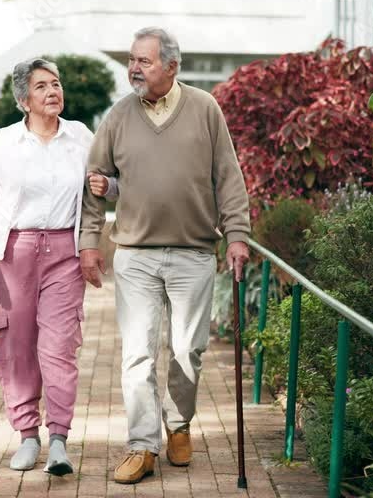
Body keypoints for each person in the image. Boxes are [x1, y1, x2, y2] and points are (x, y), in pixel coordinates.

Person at [78, 27, 251, 485]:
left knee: (187, 352)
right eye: (132, 60)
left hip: (194, 252)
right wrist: (88, 245)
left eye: (145, 61)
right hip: (134, 254)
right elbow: (95, 182)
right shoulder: (118, 116)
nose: (134, 68)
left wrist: (237, 236)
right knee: (137, 354)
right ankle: (141, 445)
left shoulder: (205, 109)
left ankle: (178, 423)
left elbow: (228, 178)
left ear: (171, 67)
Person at [0, 57, 117, 476]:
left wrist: (96, 227)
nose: (53, 92)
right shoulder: (3, 142)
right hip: (12, 252)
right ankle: (27, 435)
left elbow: (102, 189)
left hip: (64, 254)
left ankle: (60, 441)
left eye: (56, 84)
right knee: (15, 347)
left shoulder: (81, 137)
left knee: (59, 348)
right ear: (23, 99)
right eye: (42, 87)